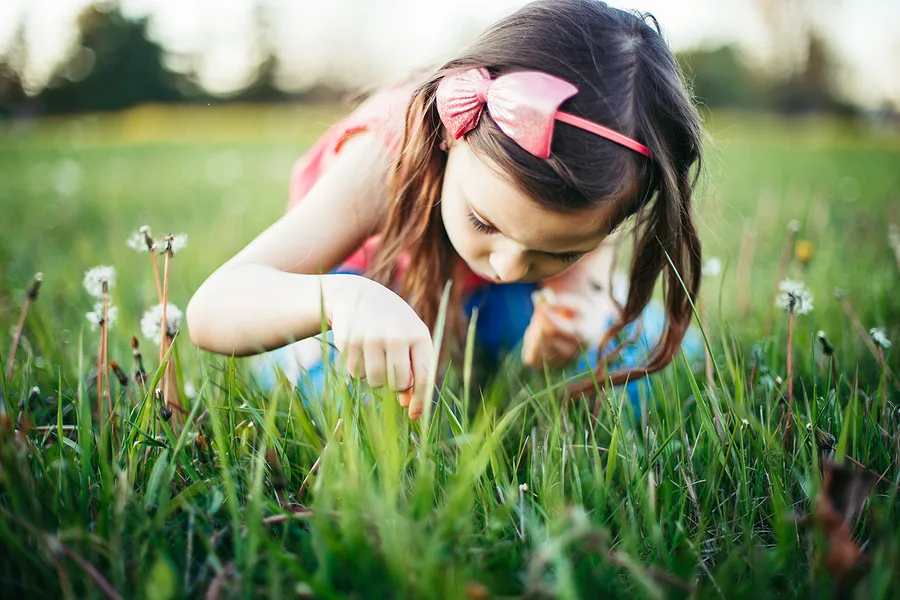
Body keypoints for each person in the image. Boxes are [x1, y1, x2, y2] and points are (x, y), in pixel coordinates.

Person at [186, 0, 704, 420]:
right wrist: (342, 299)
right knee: (355, 411)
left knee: (641, 363)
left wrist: (580, 299)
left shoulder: (603, 183)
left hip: (484, 305)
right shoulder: (385, 161)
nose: (505, 265)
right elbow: (212, 308)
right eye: (485, 222)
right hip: (371, 301)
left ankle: (494, 331)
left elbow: (587, 257)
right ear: (450, 136)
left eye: (560, 251)